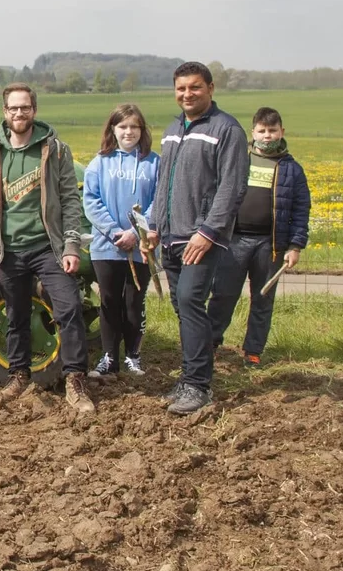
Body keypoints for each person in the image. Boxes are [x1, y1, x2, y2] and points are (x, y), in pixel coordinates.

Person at [0, 84, 94, 413]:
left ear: (34, 110)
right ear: (5, 112)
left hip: (47, 247)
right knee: (15, 315)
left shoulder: (54, 149)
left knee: (68, 308)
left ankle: (75, 380)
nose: (19, 113)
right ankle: (18, 375)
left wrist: (71, 246)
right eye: (13, 108)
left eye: (24, 107)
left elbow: (70, 200)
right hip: (9, 249)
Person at [142, 62, 249, 415]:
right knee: (183, 308)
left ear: (210, 89)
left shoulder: (227, 130)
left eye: (195, 87)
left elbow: (232, 188)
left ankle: (198, 385)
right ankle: (190, 377)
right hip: (171, 236)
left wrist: (208, 232)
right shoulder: (173, 129)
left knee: (190, 301)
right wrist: (153, 227)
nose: (187, 94)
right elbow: (163, 185)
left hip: (200, 237)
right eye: (181, 88)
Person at [206, 107, 310, 367]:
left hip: (270, 245)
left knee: (263, 299)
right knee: (223, 294)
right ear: (252, 132)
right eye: (262, 131)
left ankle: (253, 351)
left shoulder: (292, 169)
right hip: (233, 241)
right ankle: (209, 344)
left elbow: (301, 210)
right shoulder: (239, 160)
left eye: (272, 130)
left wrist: (295, 246)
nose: (267, 136)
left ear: (281, 132)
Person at [82, 103, 159, 379]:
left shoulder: (155, 162)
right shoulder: (99, 163)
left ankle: (133, 356)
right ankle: (109, 358)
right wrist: (116, 232)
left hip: (141, 247)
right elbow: (91, 202)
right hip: (107, 247)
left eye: (134, 126)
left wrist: (135, 234)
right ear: (113, 129)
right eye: (123, 126)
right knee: (109, 302)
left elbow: (158, 202)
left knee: (133, 303)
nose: (129, 132)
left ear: (142, 130)